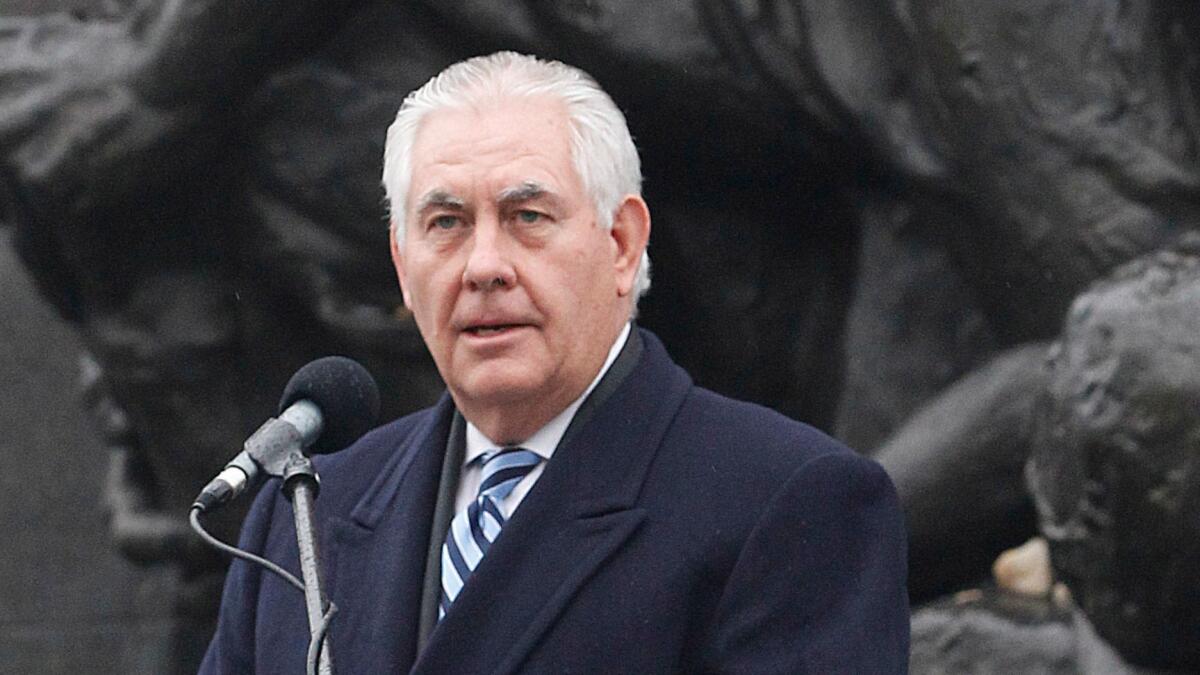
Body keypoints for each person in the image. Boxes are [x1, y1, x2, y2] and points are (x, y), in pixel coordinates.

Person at [199, 51, 909, 674]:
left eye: (526, 217)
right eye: (445, 223)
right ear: (402, 266)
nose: (483, 266)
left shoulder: (786, 504)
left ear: (622, 242)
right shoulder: (307, 513)